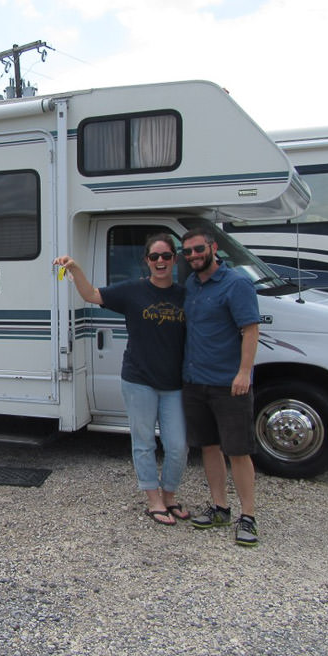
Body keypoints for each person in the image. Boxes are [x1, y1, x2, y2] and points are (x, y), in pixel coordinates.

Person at [54, 234, 189, 526]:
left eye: (166, 256)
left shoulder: (184, 294)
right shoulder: (132, 291)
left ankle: (170, 494)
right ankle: (154, 499)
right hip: (138, 379)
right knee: (144, 443)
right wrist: (74, 268)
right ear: (146, 261)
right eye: (155, 257)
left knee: (178, 445)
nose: (161, 262)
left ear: (175, 260)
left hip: (174, 383)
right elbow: (91, 295)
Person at [179, 226, 261, 547]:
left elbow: (250, 331)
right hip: (195, 382)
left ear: (213, 247)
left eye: (199, 249)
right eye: (188, 252)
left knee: (238, 451)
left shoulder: (237, 284)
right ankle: (220, 508)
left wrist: (244, 373)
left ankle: (249, 517)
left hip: (229, 384)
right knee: (209, 448)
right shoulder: (191, 285)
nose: (194, 256)